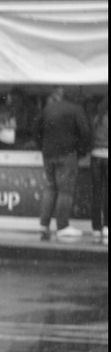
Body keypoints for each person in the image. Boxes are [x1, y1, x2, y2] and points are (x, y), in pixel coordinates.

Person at [34, 86, 91, 241]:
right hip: (67, 154)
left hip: (48, 154)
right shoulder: (76, 109)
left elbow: (36, 129)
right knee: (65, 191)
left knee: (50, 188)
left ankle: (43, 225)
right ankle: (62, 226)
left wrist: (42, 147)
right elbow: (85, 132)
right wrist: (81, 152)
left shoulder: (48, 109)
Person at [89, 96, 108, 245]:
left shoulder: (96, 118)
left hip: (95, 157)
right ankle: (107, 226)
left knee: (96, 193)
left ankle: (96, 227)